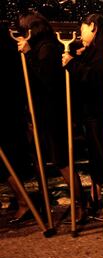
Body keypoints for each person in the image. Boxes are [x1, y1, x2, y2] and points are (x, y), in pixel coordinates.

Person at [16, 11, 87, 222]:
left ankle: (80, 203)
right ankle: (47, 202)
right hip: (39, 111)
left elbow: (46, 79)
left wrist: (28, 54)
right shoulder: (41, 46)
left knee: (61, 159)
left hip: (51, 112)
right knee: (40, 158)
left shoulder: (46, 47)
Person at [62, 13, 103, 214]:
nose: (80, 33)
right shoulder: (94, 49)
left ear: (93, 26)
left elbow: (96, 77)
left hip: (100, 112)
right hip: (92, 111)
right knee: (95, 155)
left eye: (83, 28)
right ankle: (95, 194)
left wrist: (72, 64)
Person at [0, 21, 33, 224]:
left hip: (5, 111)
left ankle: (23, 201)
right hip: (12, 109)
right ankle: (22, 200)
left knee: (6, 162)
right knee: (10, 159)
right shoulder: (9, 44)